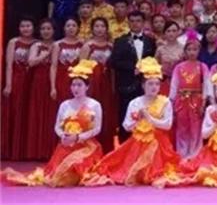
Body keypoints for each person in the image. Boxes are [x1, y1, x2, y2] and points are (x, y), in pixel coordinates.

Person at [81, 57, 180, 187]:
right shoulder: (135, 102)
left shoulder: (165, 102)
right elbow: (126, 126)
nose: (154, 87)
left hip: (159, 143)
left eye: (157, 84)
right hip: (137, 143)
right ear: (143, 85)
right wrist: (138, 120)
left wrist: (149, 119)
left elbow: (167, 125)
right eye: (150, 84)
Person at [3, 60, 103, 186]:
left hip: (87, 146)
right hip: (66, 145)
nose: (76, 88)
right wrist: (63, 136)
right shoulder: (65, 105)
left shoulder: (94, 105)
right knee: (56, 175)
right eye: (73, 85)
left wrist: (78, 137)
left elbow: (97, 128)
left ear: (87, 87)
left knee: (76, 167)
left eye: (79, 85)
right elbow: (57, 127)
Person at [108, 11, 157, 142]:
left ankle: (145, 145)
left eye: (138, 21)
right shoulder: (120, 41)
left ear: (143, 23)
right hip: (127, 85)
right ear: (128, 23)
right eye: (132, 21)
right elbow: (113, 62)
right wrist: (133, 68)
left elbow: (154, 61)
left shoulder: (151, 41)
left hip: (147, 86)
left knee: (148, 115)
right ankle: (124, 147)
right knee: (126, 115)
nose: (135, 24)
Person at [79, 18, 115, 152]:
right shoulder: (87, 46)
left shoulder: (111, 46)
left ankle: (106, 147)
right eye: (97, 26)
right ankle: (88, 146)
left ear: (106, 29)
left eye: (102, 26)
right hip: (93, 82)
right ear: (92, 29)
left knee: (106, 112)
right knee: (91, 111)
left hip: (106, 82)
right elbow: (81, 68)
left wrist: (113, 86)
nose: (100, 29)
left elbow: (113, 68)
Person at [170, 37, 208, 159]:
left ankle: (195, 153)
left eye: (195, 49)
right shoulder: (178, 67)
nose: (192, 52)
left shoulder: (202, 66)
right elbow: (174, 85)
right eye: (189, 49)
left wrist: (204, 103)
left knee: (196, 127)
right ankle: (182, 153)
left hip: (196, 100)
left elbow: (207, 86)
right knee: (182, 127)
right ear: (185, 51)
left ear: (199, 51)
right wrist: (172, 102)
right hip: (181, 100)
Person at [2, 18, 35, 160]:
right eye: (23, 26)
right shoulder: (13, 42)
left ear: (33, 27)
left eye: (28, 26)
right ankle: (11, 151)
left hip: (31, 82)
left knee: (28, 115)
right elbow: (9, 65)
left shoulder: (37, 43)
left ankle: (26, 151)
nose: (26, 29)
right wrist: (8, 84)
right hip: (16, 79)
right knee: (15, 112)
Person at [24, 19, 57, 160]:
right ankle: (36, 151)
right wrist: (43, 55)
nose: (46, 31)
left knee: (51, 115)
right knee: (37, 113)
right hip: (38, 82)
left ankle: (50, 151)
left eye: (49, 28)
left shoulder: (57, 45)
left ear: (53, 30)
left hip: (53, 81)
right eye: (43, 29)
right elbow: (31, 62)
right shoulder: (36, 45)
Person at [50, 18, 83, 103]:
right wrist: (53, 87)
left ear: (78, 28)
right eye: (68, 26)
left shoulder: (83, 44)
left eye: (74, 26)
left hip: (77, 78)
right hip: (61, 79)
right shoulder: (57, 44)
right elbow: (53, 66)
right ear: (64, 28)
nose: (71, 28)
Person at [155, 21, 184, 96]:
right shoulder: (160, 49)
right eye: (168, 31)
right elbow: (156, 66)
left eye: (174, 31)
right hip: (164, 81)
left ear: (178, 32)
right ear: (164, 33)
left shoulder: (183, 48)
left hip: (179, 82)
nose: (171, 33)